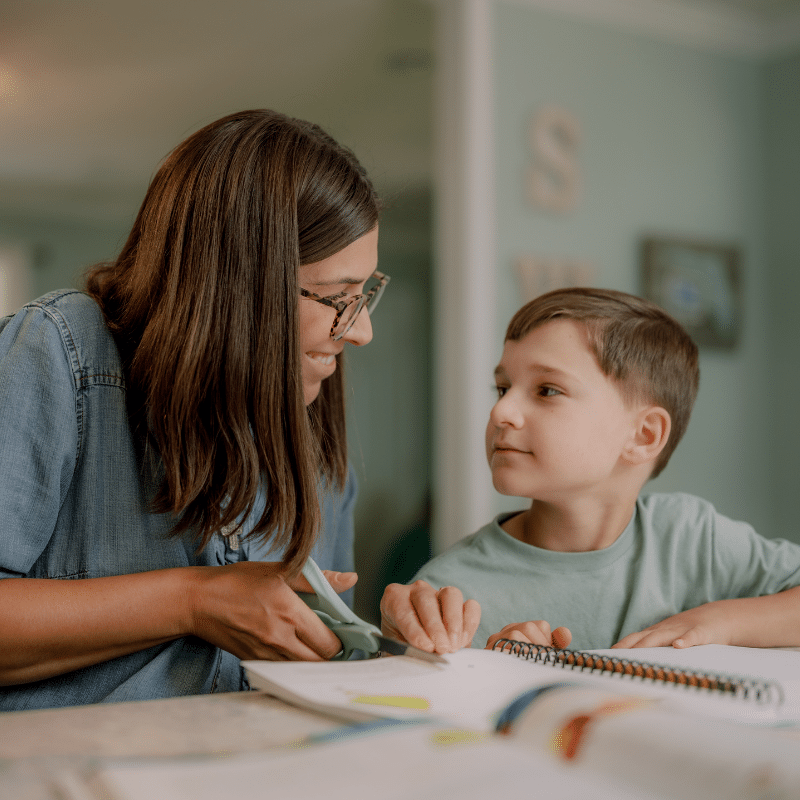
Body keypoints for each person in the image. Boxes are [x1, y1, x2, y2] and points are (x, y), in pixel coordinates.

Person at [0, 109, 388, 711]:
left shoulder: (312, 424)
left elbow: (327, 664)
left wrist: (395, 645)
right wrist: (195, 599)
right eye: (338, 299)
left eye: (363, 296)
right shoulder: (58, 352)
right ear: (242, 284)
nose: (360, 331)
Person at [381, 287, 800, 654]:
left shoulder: (692, 539)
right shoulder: (450, 595)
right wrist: (495, 671)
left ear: (643, 435)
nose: (502, 411)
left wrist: (718, 622)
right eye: (503, 388)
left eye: (547, 390)